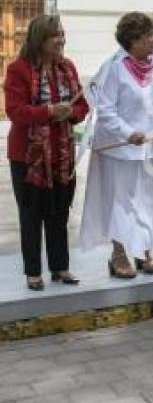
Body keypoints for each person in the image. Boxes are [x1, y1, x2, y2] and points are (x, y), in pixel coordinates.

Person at [4, 15, 90, 290]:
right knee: (31, 215)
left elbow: (82, 106)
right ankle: (33, 272)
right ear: (39, 40)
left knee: (59, 213)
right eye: (56, 35)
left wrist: (71, 112)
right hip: (29, 158)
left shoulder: (68, 68)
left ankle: (60, 267)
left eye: (63, 34)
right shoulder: (19, 69)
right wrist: (50, 111)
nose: (61, 40)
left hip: (62, 155)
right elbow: (15, 111)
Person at [80, 12, 153, 279]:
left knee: (144, 199)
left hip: (146, 147)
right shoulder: (114, 67)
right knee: (120, 200)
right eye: (149, 35)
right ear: (133, 39)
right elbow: (105, 110)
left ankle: (143, 249)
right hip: (119, 147)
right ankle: (118, 253)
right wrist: (129, 133)